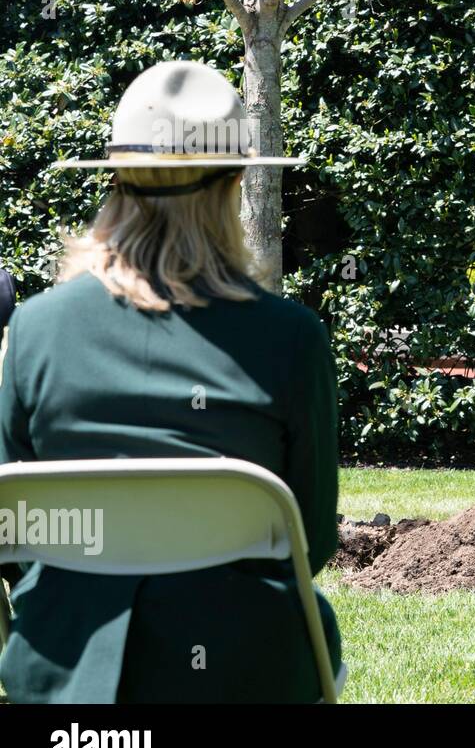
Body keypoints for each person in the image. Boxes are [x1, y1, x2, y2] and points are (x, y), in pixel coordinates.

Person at [0, 60, 343, 702]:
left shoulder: (35, 330)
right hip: (248, 671)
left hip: (70, 672)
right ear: (236, 182)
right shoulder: (291, 337)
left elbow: (13, 538)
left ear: (116, 181)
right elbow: (311, 540)